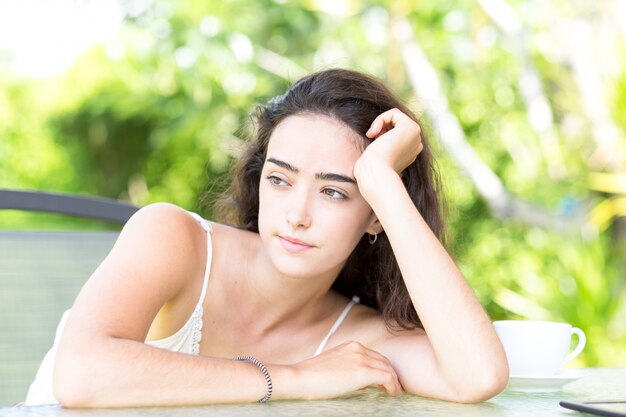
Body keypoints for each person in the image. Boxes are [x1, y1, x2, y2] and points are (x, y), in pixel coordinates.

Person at [25, 68, 508, 407]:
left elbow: (478, 376)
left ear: (376, 215)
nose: (297, 215)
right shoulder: (174, 239)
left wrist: (382, 181)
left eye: (335, 192)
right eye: (279, 179)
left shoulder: (358, 338)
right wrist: (296, 379)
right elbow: (81, 374)